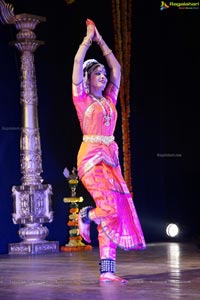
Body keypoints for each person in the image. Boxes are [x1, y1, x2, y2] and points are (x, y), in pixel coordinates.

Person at [72, 18, 146, 283]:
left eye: (104, 76)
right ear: (88, 79)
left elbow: (117, 68)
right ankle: (85, 214)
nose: (103, 78)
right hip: (91, 159)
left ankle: (107, 272)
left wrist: (101, 41)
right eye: (98, 75)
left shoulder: (109, 99)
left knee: (112, 217)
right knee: (108, 209)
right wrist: (87, 40)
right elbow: (78, 65)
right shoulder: (82, 99)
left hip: (110, 160)